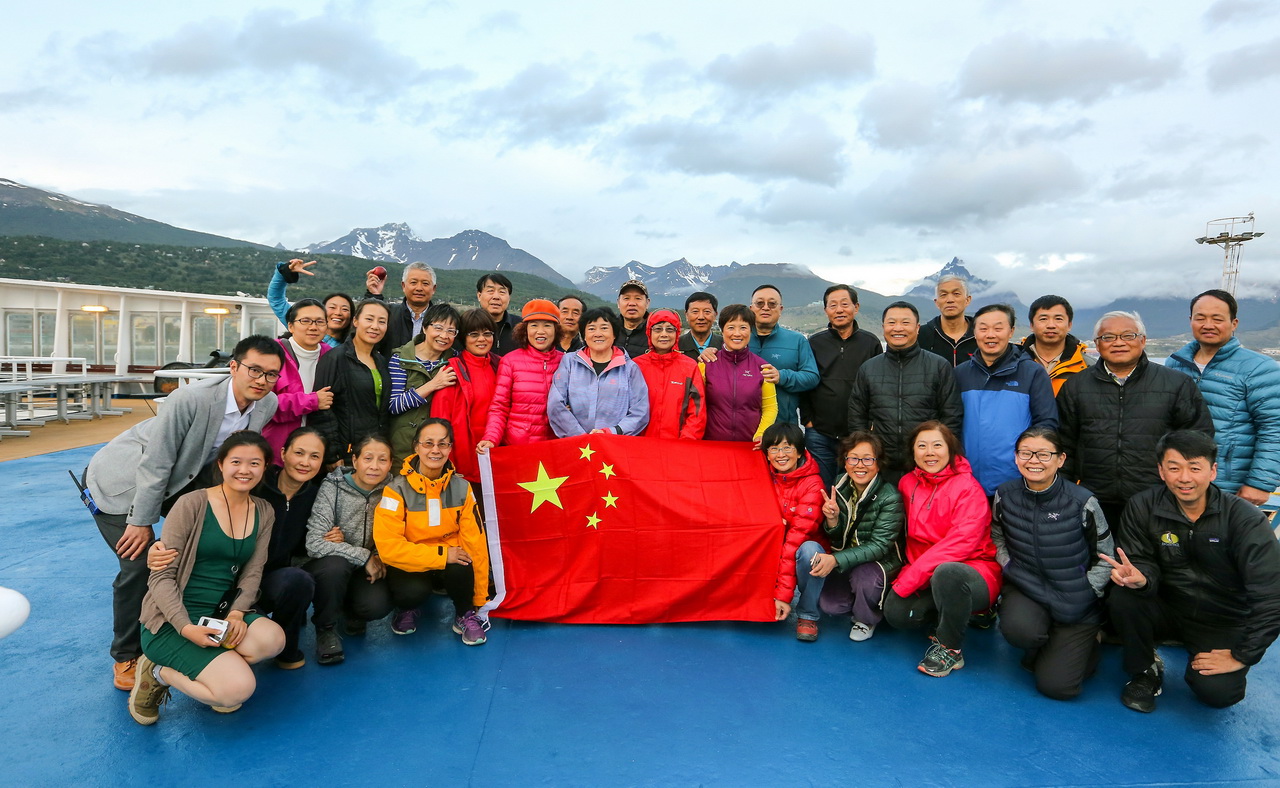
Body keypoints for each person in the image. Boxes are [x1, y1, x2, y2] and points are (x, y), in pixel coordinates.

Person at [85, 335, 282, 691]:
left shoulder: (266, 403)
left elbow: (227, 457)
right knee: (141, 563)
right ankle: (128, 654)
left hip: (184, 481)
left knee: (195, 552)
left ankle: (191, 628)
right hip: (125, 483)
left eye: (271, 374)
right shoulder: (190, 399)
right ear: (233, 367)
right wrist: (141, 521)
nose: (262, 380)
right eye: (254, 370)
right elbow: (156, 463)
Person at [1105, 430, 1280, 713]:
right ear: (1161, 471)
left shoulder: (1244, 519)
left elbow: (1271, 595)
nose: (1184, 478)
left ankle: (1202, 656)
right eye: (1174, 468)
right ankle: (1144, 669)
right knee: (1123, 596)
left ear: (1213, 471)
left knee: (1218, 694)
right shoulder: (1143, 506)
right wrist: (1141, 578)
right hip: (1168, 607)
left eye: (1195, 468)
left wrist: (1242, 655)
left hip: (1222, 619)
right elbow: (1139, 560)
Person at [128, 432, 286, 725]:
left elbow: (253, 571)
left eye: (254, 463)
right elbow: (161, 576)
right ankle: (157, 672)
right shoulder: (191, 504)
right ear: (221, 464)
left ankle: (218, 671)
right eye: (236, 461)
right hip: (172, 620)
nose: (244, 470)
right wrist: (185, 627)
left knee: (272, 640)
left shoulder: (264, 510)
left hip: (221, 613)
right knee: (237, 690)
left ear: (265, 467)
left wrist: (237, 613)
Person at [148, 427, 329, 671]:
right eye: (299, 453)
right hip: (222, 582)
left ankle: (283, 648)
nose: (305, 462)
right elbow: (198, 524)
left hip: (261, 580)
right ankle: (176, 657)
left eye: (314, 456)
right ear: (283, 454)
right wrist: (156, 546)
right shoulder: (252, 485)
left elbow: (310, 537)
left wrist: (332, 536)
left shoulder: (316, 496)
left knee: (298, 581)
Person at [1057, 310, 1214, 527]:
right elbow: (1064, 443)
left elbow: (1198, 442)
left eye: (1128, 335)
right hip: (1093, 498)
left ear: (1143, 340)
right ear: (1097, 344)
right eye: (1108, 337)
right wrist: (1065, 493)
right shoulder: (1076, 386)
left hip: (1158, 498)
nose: (1118, 342)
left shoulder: (1176, 384)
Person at [991, 427, 1113, 700]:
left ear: (1061, 459)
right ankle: (1045, 642)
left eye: (1044, 454)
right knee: (1020, 632)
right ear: (1016, 457)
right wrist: (1009, 566)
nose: (1034, 460)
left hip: (1075, 597)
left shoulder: (1082, 501)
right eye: (1026, 453)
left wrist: (1089, 589)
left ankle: (1090, 642)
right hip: (1027, 587)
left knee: (1057, 687)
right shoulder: (1005, 494)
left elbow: (1106, 556)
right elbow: (997, 537)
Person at [883, 421, 1001, 678]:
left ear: (950, 450)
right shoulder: (907, 483)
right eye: (922, 446)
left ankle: (951, 648)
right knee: (897, 615)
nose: (930, 452)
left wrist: (909, 579)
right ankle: (953, 614)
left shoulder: (968, 488)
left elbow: (959, 545)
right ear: (912, 451)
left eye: (937, 445)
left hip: (971, 570)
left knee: (948, 573)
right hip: (925, 570)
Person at [374, 419, 491, 645]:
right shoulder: (395, 490)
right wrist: (442, 555)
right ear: (416, 447)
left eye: (443, 444)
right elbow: (389, 548)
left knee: (463, 562)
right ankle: (407, 608)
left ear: (450, 448)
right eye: (428, 443)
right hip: (413, 562)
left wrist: (478, 599)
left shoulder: (462, 488)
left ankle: (464, 614)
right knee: (411, 591)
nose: (435, 450)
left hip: (451, 560)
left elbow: (475, 542)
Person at [1165, 289, 1280, 505]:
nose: (1208, 325)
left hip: (1231, 486)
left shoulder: (1259, 368)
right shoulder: (1175, 364)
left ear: (1234, 323)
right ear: (1190, 321)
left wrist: (1259, 483)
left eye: (1217, 319)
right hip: (1179, 482)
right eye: (1200, 318)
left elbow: (1274, 428)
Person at [847, 302, 963, 485]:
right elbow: (857, 416)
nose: (898, 328)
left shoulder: (939, 366)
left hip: (926, 466)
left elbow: (951, 416)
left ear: (917, 328)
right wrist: (866, 455)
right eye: (892, 322)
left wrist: (941, 456)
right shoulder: (869, 368)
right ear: (883, 327)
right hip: (883, 465)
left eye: (905, 322)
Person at [304, 435, 395, 664]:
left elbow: (400, 532)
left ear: (390, 464)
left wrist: (377, 555)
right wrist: (364, 556)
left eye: (382, 460)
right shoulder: (332, 487)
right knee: (335, 566)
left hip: (368, 566)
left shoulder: (393, 490)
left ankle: (352, 612)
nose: (374, 466)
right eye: (368, 458)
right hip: (336, 564)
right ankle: (326, 629)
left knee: (376, 605)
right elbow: (315, 542)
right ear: (354, 460)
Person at [954, 304, 1058, 496]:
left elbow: (1046, 424)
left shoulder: (1032, 372)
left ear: (1011, 331)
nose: (990, 335)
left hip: (1018, 481)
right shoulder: (960, 373)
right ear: (974, 332)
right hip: (967, 481)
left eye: (998, 328)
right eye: (983, 328)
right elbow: (951, 422)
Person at [814, 432, 904, 642]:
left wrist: (836, 559)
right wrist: (832, 520)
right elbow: (838, 540)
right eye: (853, 458)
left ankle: (867, 619)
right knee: (831, 605)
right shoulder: (840, 485)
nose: (860, 465)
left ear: (878, 464)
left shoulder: (890, 496)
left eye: (868, 459)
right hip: (848, 558)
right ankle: (861, 601)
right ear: (845, 462)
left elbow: (879, 546)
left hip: (879, 562)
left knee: (864, 579)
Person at [801, 284, 883, 486]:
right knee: (821, 486)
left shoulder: (870, 342)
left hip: (857, 433)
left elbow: (878, 386)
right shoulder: (815, 343)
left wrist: (871, 424)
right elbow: (806, 381)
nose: (839, 310)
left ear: (856, 307)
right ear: (825, 310)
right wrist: (807, 420)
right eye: (833, 305)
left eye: (845, 304)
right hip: (820, 432)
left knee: (854, 487)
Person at [761, 423, 829, 641]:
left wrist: (783, 596)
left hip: (799, 551)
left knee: (811, 552)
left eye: (787, 447)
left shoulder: (812, 484)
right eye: (774, 448)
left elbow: (794, 542)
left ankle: (808, 614)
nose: (781, 454)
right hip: (773, 546)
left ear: (800, 451)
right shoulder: (761, 474)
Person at [311, 299, 392, 467]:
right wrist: (333, 454)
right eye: (369, 319)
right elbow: (322, 410)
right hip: (346, 452)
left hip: (373, 451)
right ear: (355, 321)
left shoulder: (381, 361)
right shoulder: (335, 358)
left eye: (382, 321)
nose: (375, 326)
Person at [476, 299, 564, 454]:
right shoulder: (510, 361)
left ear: (556, 330)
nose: (540, 331)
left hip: (555, 447)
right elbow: (499, 407)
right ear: (525, 330)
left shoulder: (566, 362)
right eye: (534, 325)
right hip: (518, 447)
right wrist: (491, 438)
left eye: (547, 325)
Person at [548, 307, 650, 437]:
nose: (598, 333)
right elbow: (556, 404)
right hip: (576, 442)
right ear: (584, 335)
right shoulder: (570, 362)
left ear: (614, 334)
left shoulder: (629, 368)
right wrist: (580, 436)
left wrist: (612, 432)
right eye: (591, 329)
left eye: (604, 328)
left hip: (613, 443)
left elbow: (640, 411)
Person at [431, 309, 499, 485]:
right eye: (474, 334)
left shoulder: (501, 365)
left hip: (497, 454)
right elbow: (440, 420)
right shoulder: (452, 371)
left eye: (487, 334)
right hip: (463, 460)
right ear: (463, 338)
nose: (481, 339)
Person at [261, 298, 333, 461]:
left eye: (319, 322)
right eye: (305, 321)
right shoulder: (272, 354)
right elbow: (263, 404)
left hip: (315, 453)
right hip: (275, 451)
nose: (313, 327)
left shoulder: (331, 356)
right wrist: (312, 401)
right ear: (291, 326)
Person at [387, 303, 460, 461]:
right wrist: (433, 385)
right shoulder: (401, 359)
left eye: (451, 331)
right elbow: (393, 405)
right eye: (438, 328)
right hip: (403, 446)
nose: (444, 336)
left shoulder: (455, 360)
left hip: (439, 449)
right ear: (425, 328)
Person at [701, 304, 777, 446]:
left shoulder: (763, 367)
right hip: (712, 445)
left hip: (750, 446)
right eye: (731, 327)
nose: (737, 333)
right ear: (722, 330)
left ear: (751, 330)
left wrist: (761, 434)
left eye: (743, 327)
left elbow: (770, 407)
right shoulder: (706, 364)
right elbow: (696, 405)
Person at [748, 284, 819, 426]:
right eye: (760, 303)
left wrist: (782, 376)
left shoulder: (797, 340)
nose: (765, 307)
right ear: (751, 308)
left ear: (780, 309)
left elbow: (812, 377)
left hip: (783, 426)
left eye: (772, 304)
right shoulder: (737, 339)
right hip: (743, 427)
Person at [634, 309, 706, 440]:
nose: (664, 334)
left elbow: (697, 411)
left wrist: (686, 441)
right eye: (658, 329)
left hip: (678, 444)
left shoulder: (689, 367)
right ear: (649, 333)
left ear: (677, 334)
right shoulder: (636, 366)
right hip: (640, 443)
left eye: (670, 329)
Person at [266, 258, 355, 348]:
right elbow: (276, 299)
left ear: (353, 318)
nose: (338, 313)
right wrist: (285, 272)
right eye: (332, 307)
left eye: (345, 309)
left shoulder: (351, 347)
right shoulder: (302, 325)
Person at [1019, 295, 1089, 395]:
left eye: (1058, 319)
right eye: (1043, 319)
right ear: (1032, 325)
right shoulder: (1013, 362)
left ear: (1069, 325)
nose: (1051, 325)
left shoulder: (1088, 366)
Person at [365, 260, 437, 352]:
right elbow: (364, 333)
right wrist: (373, 295)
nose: (419, 288)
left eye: (425, 283)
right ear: (403, 286)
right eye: (413, 282)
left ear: (433, 289)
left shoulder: (442, 319)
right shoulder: (388, 314)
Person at [918, 274, 977, 367]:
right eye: (943, 295)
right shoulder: (921, 335)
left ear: (967, 300)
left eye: (956, 294)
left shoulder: (981, 334)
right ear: (937, 302)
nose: (950, 300)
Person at [476, 273, 522, 356]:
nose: (496, 297)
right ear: (479, 296)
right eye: (490, 291)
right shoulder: (465, 325)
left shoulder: (521, 326)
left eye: (502, 292)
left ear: (509, 298)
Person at [679, 291, 722, 360]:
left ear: (715, 315)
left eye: (707, 311)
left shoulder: (725, 346)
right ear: (686, 315)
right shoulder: (676, 346)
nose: (701, 317)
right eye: (695, 311)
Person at [616, 279, 651, 358]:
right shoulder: (609, 329)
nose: (632, 303)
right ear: (618, 303)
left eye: (638, 298)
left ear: (647, 303)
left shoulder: (655, 332)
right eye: (626, 298)